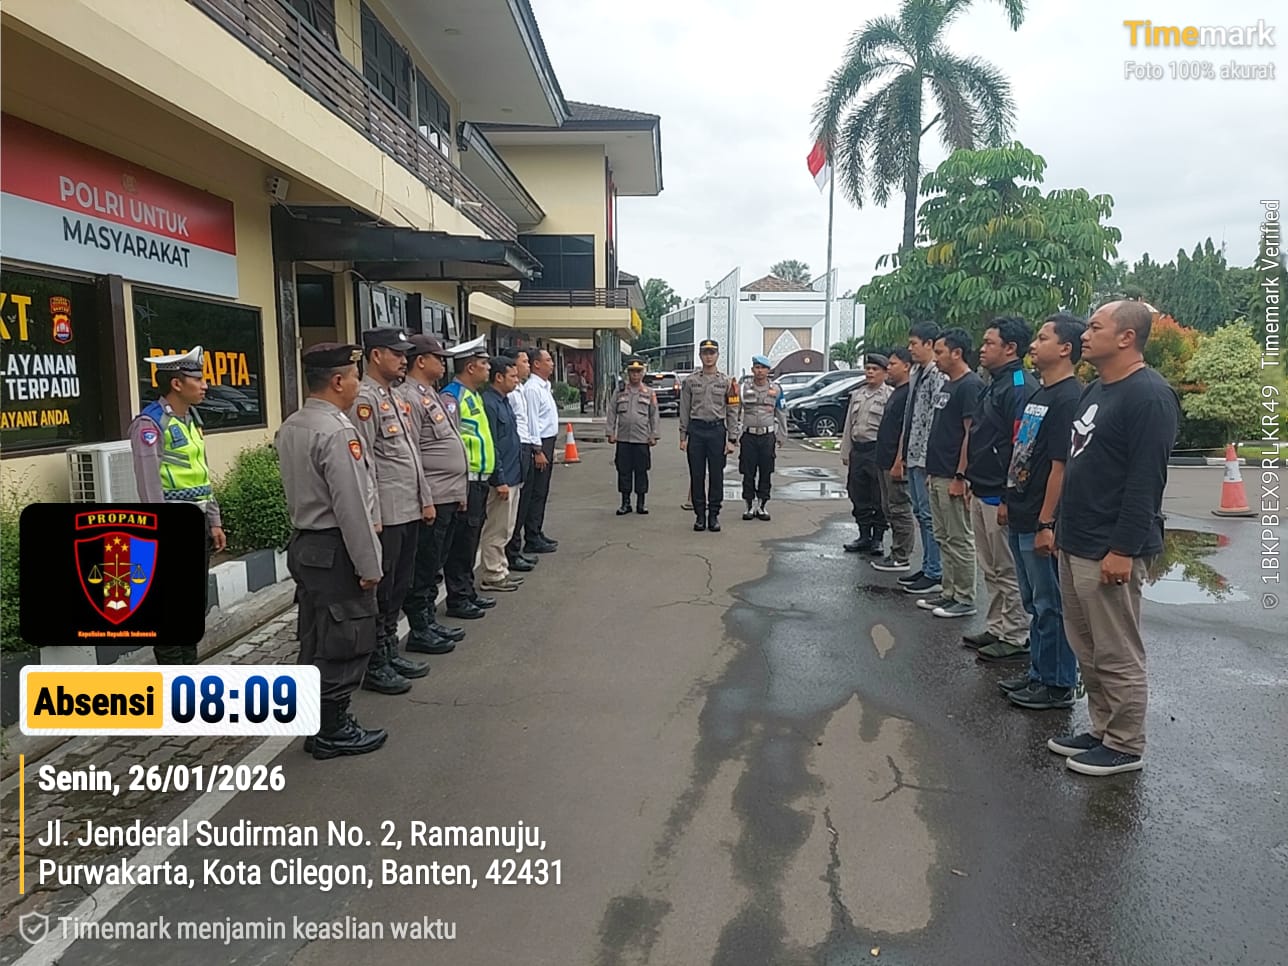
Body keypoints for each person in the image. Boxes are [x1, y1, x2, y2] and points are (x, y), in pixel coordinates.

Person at [1049, 301, 1179, 777]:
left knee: (1117, 650)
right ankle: (1101, 729)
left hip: (1110, 546)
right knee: (1088, 648)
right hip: (1076, 540)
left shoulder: (1150, 397)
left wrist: (1122, 549)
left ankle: (1125, 744)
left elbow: (1146, 482)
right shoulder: (1095, 390)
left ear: (1126, 337)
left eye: (1095, 327)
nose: (1084, 335)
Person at [275, 343, 385, 760]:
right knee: (346, 636)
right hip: (335, 545)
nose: (358, 384)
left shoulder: (293, 425)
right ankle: (333, 728)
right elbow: (351, 506)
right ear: (338, 381)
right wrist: (369, 564)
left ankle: (316, 721)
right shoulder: (337, 432)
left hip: (306, 544)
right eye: (355, 376)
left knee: (316, 635)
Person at [999, 314, 1086, 710]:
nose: (1033, 345)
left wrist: (1047, 523)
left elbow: (1059, 467)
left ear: (1065, 348)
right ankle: (1038, 672)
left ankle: (1058, 684)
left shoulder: (1069, 398)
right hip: (1021, 511)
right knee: (1034, 603)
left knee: (1052, 606)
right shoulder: (1040, 394)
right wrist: (1008, 499)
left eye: (1043, 338)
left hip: (1040, 519)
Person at [129, 345, 227, 665]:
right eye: (197, 380)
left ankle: (189, 671)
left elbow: (202, 473)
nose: (205, 385)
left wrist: (214, 521)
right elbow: (149, 485)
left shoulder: (191, 419)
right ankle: (173, 677)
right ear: (176, 384)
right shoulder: (150, 423)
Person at [350, 327, 432, 693]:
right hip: (387, 511)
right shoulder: (364, 399)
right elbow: (363, 461)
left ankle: (389, 650)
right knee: (382, 591)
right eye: (397, 354)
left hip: (408, 506)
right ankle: (375, 661)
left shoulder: (395, 396)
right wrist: (372, 514)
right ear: (376, 355)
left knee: (399, 586)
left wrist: (425, 498)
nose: (403, 360)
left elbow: (411, 452)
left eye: (405, 354)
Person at [963, 317, 1038, 659]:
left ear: (1010, 348)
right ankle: (996, 626)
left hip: (1000, 495)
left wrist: (1009, 496)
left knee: (1007, 569)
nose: (982, 348)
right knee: (990, 567)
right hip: (981, 488)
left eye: (989, 343)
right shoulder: (994, 383)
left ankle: (1015, 634)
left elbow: (1022, 446)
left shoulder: (1020, 386)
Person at [396, 335, 467, 655]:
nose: (443, 363)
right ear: (421, 361)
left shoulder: (431, 394)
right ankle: (419, 627)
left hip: (448, 494)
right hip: (433, 497)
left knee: (435, 563)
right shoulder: (408, 397)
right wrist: (425, 498)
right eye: (438, 358)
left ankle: (428, 620)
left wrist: (460, 490)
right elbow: (411, 452)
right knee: (424, 566)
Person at [919, 329, 984, 619]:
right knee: (943, 536)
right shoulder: (947, 385)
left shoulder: (970, 386)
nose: (936, 358)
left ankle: (965, 597)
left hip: (953, 476)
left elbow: (970, 433)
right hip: (937, 472)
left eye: (940, 352)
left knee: (959, 538)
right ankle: (949, 592)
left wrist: (961, 475)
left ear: (957, 353)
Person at [439, 337, 499, 619]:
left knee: (471, 539)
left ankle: (467, 591)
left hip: (480, 479)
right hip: (466, 481)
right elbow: (449, 441)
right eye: (484, 363)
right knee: (461, 544)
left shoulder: (473, 394)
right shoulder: (452, 397)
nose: (489, 368)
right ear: (470, 367)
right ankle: (458, 597)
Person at [893, 323, 948, 597]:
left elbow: (936, 419)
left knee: (929, 517)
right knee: (920, 513)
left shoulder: (938, 375)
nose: (910, 348)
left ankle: (935, 572)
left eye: (914, 343)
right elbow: (911, 416)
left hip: (927, 458)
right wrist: (903, 454)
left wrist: (929, 459)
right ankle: (927, 566)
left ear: (929, 344)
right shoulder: (917, 372)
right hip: (913, 454)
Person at [678, 339, 740, 532]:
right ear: (700, 356)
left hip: (716, 431)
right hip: (696, 431)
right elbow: (684, 409)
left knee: (716, 476)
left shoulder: (727, 382)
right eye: (705, 353)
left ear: (717, 355)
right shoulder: (690, 381)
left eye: (712, 353)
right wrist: (683, 437)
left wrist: (732, 439)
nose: (708, 356)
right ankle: (699, 516)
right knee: (696, 475)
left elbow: (733, 411)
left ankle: (713, 515)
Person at [479, 356, 524, 593]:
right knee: (496, 528)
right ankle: (492, 574)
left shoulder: (504, 401)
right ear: (498, 377)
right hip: (503, 477)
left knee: (506, 527)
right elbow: (492, 445)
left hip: (514, 474)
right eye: (512, 376)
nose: (517, 380)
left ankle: (501, 569)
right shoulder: (489, 404)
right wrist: (500, 479)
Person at [840, 354, 892, 554]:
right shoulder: (857, 394)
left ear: (885, 373)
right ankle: (863, 536)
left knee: (878, 496)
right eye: (868, 368)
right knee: (857, 494)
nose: (870, 372)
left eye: (875, 369)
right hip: (858, 451)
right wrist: (846, 451)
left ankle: (877, 538)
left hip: (876, 451)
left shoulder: (889, 395)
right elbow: (848, 425)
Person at [872, 348, 916, 572]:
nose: (888, 368)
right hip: (883, 459)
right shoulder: (897, 392)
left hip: (895, 462)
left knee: (899, 509)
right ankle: (896, 552)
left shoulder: (909, 394)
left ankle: (901, 556)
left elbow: (905, 431)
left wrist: (899, 461)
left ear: (906, 366)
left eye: (893, 364)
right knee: (888, 508)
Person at [514, 348, 560, 554]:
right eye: (548, 360)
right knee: (535, 492)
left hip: (548, 441)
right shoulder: (532, 389)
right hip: (539, 444)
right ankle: (531, 536)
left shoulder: (544, 386)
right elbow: (532, 421)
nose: (552, 363)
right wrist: (538, 450)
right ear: (537, 364)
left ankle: (537, 531)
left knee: (542, 491)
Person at [500, 347, 538, 573]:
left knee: (521, 503)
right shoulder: (511, 394)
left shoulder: (520, 389)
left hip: (525, 446)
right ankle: (511, 553)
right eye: (524, 362)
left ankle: (515, 549)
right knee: (513, 505)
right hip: (518, 447)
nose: (528, 365)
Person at [607, 358, 660, 514]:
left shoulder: (649, 393)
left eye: (638, 372)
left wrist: (654, 434)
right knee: (623, 471)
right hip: (623, 439)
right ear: (628, 373)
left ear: (643, 373)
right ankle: (625, 503)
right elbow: (612, 411)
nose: (635, 375)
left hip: (641, 439)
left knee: (641, 471)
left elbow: (654, 415)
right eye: (632, 372)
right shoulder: (620, 391)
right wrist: (610, 432)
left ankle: (641, 503)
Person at [737, 355, 787, 520]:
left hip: (767, 436)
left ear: (768, 370)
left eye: (763, 368)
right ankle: (749, 505)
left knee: (766, 472)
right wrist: (733, 435)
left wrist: (782, 435)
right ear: (752, 369)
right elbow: (736, 411)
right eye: (757, 367)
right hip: (749, 436)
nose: (760, 371)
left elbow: (781, 412)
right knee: (748, 472)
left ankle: (762, 505)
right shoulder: (744, 388)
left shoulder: (776, 389)